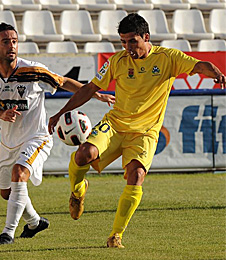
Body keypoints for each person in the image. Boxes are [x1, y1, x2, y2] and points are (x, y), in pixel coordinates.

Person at [48, 13, 226, 248]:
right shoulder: (117, 61)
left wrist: (215, 73)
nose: (127, 47)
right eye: (123, 42)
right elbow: (90, 88)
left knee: (137, 175)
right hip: (115, 124)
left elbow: (199, 65)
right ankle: (78, 191)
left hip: (145, 132)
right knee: (84, 155)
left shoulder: (168, 57)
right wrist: (61, 112)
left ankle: (115, 236)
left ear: (146, 37)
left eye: (132, 41)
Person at [0, 23, 114, 245]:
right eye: (5, 41)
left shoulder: (33, 71)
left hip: (37, 137)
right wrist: (1, 114)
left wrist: (96, 95)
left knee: (19, 173)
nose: (12, 46)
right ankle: (34, 222)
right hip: (8, 143)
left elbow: (62, 82)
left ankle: (7, 234)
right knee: (7, 193)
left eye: (14, 41)